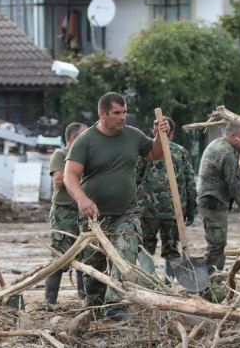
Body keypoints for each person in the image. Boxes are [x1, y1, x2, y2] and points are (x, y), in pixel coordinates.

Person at [63, 92, 169, 320]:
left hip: (127, 212)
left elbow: (155, 153)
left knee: (125, 252)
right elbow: (69, 176)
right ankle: (95, 308)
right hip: (94, 216)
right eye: (117, 113)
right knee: (94, 269)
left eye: (125, 112)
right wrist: (82, 199)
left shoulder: (133, 136)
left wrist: (161, 135)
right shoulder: (86, 140)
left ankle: (115, 305)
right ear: (103, 114)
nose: (123, 117)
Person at [135, 117, 196, 279]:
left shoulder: (144, 153)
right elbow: (190, 182)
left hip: (147, 209)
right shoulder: (181, 152)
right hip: (174, 210)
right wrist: (191, 209)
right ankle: (168, 284)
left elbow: (135, 179)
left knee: (145, 247)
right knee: (172, 249)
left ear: (153, 132)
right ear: (172, 133)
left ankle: (152, 280)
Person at [197, 123, 240, 273]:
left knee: (216, 243)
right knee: (217, 245)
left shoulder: (217, 144)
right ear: (232, 136)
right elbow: (235, 185)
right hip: (213, 202)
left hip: (209, 200)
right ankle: (209, 283)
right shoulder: (228, 153)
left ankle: (211, 279)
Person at [44, 121, 87, 305]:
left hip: (82, 213)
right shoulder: (60, 155)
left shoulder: (86, 156)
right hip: (64, 213)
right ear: (74, 138)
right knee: (59, 257)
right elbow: (60, 179)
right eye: (84, 135)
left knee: (85, 257)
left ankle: (84, 300)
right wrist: (78, 170)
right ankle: (49, 301)